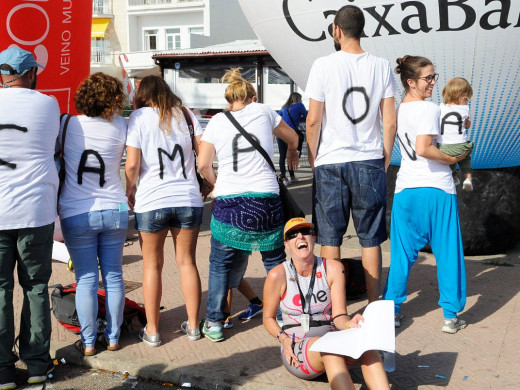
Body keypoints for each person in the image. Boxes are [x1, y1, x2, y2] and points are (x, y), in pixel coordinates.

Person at [198, 68, 299, 342]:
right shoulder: (265, 111)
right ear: (252, 97)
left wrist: (217, 184)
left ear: (229, 101)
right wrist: (292, 151)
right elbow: (292, 137)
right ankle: (284, 315)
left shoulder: (217, 121)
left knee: (220, 264)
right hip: (266, 199)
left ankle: (215, 323)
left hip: (231, 201)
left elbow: (203, 164)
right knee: (275, 260)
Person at [305, 5, 397, 303]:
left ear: (337, 30)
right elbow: (390, 119)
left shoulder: (322, 65)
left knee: (330, 237)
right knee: (370, 237)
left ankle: (334, 307)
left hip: (330, 160)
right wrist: (385, 153)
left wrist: (312, 154)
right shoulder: (381, 65)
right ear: (362, 30)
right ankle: (374, 305)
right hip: (368, 158)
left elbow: (313, 119)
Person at [382, 55, 468, 334]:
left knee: (401, 256)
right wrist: (453, 160)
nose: (433, 82)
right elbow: (424, 148)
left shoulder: (398, 109)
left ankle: (392, 311)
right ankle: (450, 316)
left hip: (405, 189)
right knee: (448, 254)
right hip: (436, 188)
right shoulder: (429, 109)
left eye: (434, 76)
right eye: (427, 78)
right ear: (410, 81)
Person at [263, 217, 389, 389]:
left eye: (306, 232)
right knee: (330, 351)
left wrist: (349, 323)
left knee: (367, 343)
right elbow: (268, 318)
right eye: (293, 234)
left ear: (314, 238)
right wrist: (283, 339)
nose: (300, 237)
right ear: (286, 244)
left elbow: (339, 315)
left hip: (331, 338)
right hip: (298, 346)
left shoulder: (333, 268)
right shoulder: (277, 275)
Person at [125, 75, 204, 345]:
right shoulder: (186, 114)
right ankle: (193, 327)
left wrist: (130, 189)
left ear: (142, 95)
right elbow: (203, 155)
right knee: (187, 263)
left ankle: (153, 331)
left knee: (152, 266)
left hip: (152, 200)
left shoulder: (138, 118)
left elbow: (133, 165)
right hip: (188, 199)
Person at [0, 46, 59, 388]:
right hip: (36, 210)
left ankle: (3, 370)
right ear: (32, 73)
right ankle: (37, 365)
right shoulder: (48, 104)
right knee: (36, 285)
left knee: (0, 288)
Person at [58, 73, 128, 356]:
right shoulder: (122, 125)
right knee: (113, 276)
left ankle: (88, 343)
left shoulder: (67, 123)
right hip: (114, 208)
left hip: (76, 212)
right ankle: (113, 337)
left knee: (86, 279)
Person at [438, 77, 475, 191]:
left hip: (443, 147)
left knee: (449, 162)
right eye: (467, 99)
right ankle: (468, 178)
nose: (467, 101)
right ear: (464, 98)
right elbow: (467, 126)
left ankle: (453, 177)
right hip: (460, 146)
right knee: (465, 159)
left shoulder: (440, 107)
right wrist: (467, 123)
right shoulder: (465, 108)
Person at [277, 92, 307, 185]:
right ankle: (292, 176)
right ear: (298, 99)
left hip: (280, 134)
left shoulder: (284, 108)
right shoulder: (299, 105)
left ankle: (284, 178)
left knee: (282, 156)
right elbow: (307, 116)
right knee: (291, 155)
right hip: (291, 134)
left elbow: (277, 117)